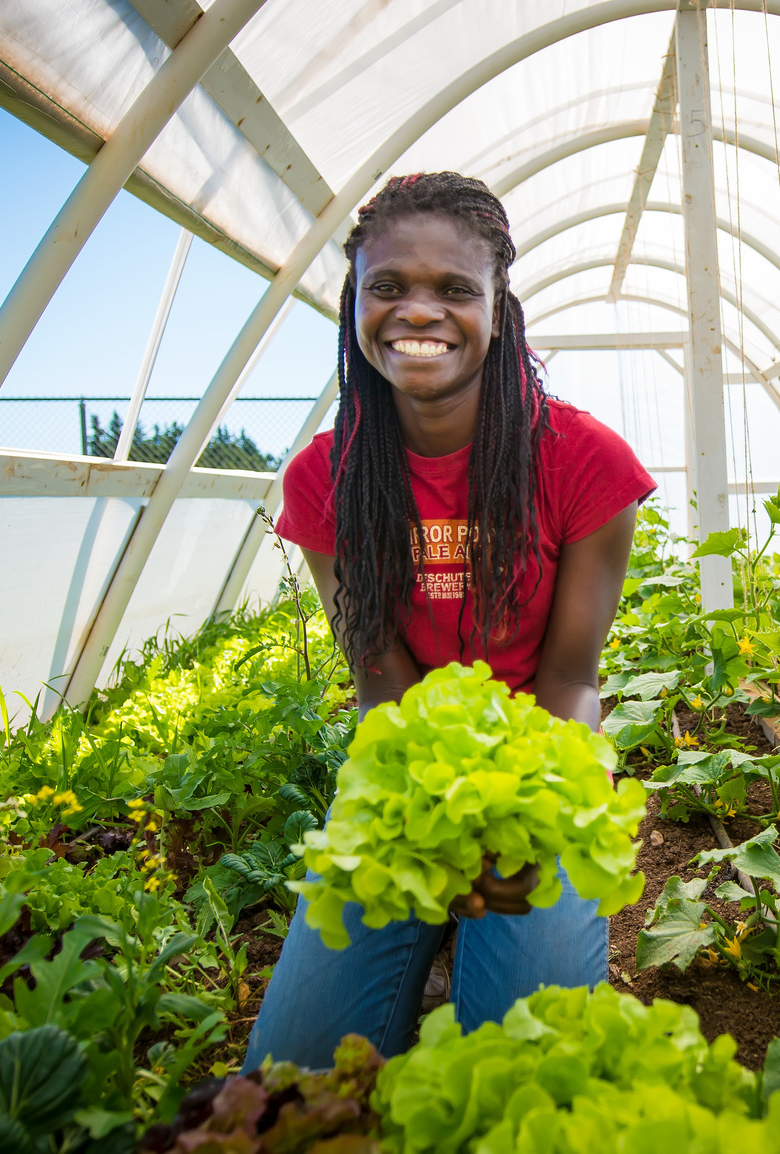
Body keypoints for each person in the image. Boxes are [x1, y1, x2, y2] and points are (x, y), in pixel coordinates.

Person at [243, 172, 656, 1071]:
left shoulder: (585, 460)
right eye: (387, 287)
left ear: (498, 310)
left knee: (524, 1062)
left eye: (455, 290)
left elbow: (570, 680)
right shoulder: (327, 477)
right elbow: (379, 679)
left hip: (542, 761)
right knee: (293, 1076)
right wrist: (423, 820)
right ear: (356, 303)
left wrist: (522, 817)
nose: (416, 312)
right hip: (403, 772)